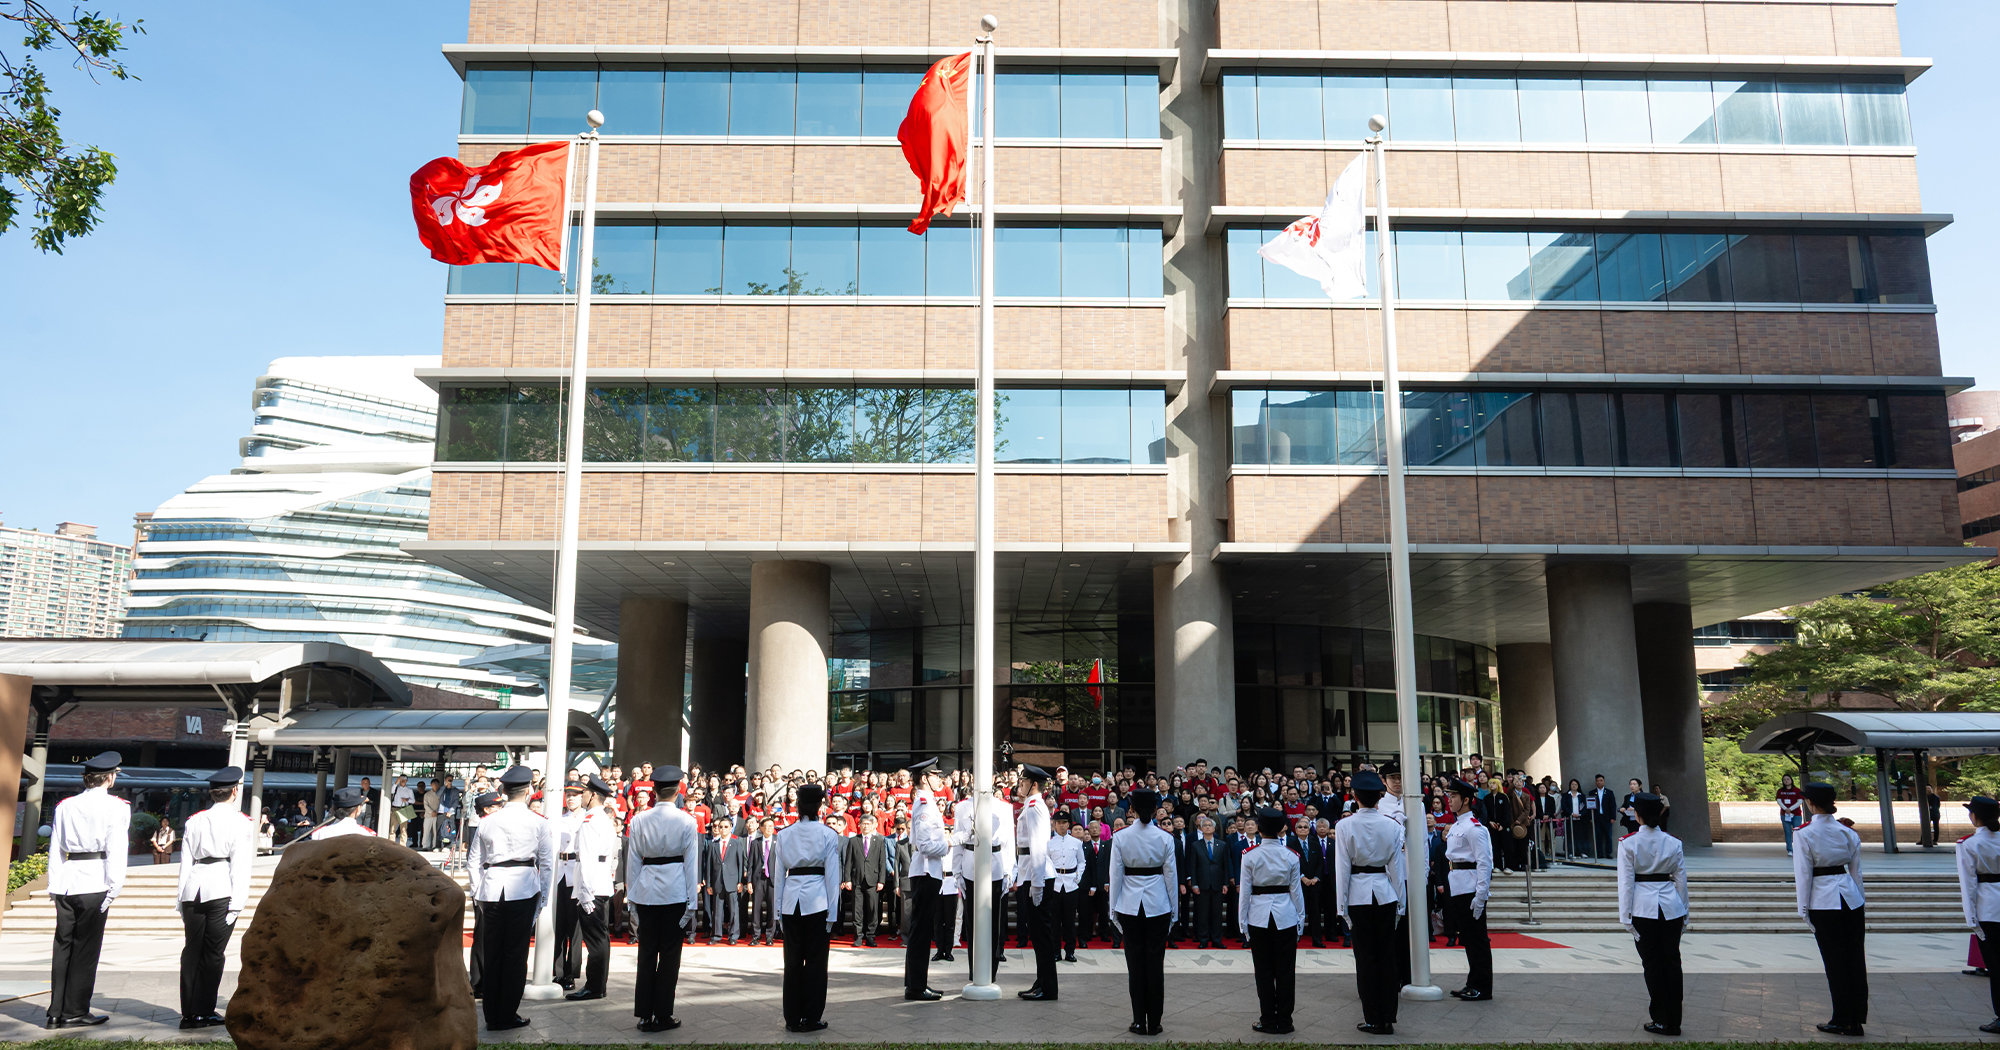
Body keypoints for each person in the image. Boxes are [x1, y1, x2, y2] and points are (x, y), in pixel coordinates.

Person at [466, 765, 555, 1033]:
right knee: (515, 955)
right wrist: (543, 899)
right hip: (523, 889)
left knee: (493, 953)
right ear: (528, 791)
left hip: (492, 889)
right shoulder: (538, 822)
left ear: (503, 791)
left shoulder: (486, 821)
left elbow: (473, 863)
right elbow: (547, 865)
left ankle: (492, 1015)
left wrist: (477, 893)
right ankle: (506, 1013)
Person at [45, 751, 129, 1031]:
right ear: (109, 778)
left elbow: (56, 848)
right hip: (96, 881)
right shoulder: (117, 806)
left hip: (67, 880)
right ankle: (75, 1011)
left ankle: (56, 1011)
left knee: (63, 946)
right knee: (86, 949)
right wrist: (115, 887)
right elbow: (117, 849)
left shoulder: (65, 805)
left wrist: (53, 884)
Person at [174, 765, 253, 1031]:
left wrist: (180, 898)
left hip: (193, 887)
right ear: (234, 791)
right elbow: (240, 865)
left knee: (192, 952)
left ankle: (189, 1013)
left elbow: (185, 862)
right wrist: (238, 903)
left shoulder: (194, 820)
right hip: (221, 887)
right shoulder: (241, 821)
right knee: (213, 954)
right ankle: (204, 1010)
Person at [627, 765, 699, 1032]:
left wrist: (632, 898)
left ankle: (645, 1014)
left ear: (653, 790)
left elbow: (633, 861)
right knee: (669, 955)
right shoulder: (686, 820)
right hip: (674, 891)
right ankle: (663, 1014)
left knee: (646, 953)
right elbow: (691, 864)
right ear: (679, 790)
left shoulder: (639, 819)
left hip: (646, 889)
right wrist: (692, 901)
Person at [1793, 781, 1867, 1036]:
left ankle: (1842, 1019)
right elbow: (1857, 874)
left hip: (1824, 901)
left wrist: (1803, 910)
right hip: (1850, 899)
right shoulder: (1847, 832)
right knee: (1855, 960)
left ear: (1810, 803)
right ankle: (1855, 1019)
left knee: (1835, 963)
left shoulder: (1803, 833)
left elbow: (1803, 875)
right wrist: (1861, 901)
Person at [1335, 770, 1405, 1034]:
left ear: (1354, 796)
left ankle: (1373, 1017)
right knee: (1387, 957)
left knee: (1365, 959)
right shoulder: (1392, 825)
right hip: (1385, 894)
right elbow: (1397, 869)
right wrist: (1401, 903)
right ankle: (1387, 1017)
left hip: (1358, 894)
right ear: (1380, 796)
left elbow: (1342, 869)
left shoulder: (1344, 825)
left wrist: (1342, 907)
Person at [773, 783, 843, 1032]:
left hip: (792, 902)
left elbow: (778, 876)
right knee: (815, 963)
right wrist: (832, 913)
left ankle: (792, 1017)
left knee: (792, 963)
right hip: (817, 902)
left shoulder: (783, 834)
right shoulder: (828, 834)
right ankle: (811, 1016)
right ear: (820, 806)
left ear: (798, 805)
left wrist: (778, 911)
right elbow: (832, 877)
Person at [1617, 793, 1687, 1036]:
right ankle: (1673, 1020)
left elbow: (1626, 883)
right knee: (1672, 962)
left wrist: (1625, 917)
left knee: (1653, 965)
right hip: (1671, 907)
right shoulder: (1673, 842)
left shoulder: (1629, 843)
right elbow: (1681, 882)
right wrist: (1684, 913)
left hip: (1643, 908)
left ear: (1637, 815)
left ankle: (1661, 1019)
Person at [1109, 788, 1177, 1036]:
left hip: (1129, 904)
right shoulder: (1165, 838)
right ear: (1156, 809)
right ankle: (1155, 1021)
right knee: (1155, 964)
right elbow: (1170, 876)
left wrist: (1112, 909)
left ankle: (1139, 1020)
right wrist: (1174, 910)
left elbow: (1115, 876)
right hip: (1158, 903)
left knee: (1135, 965)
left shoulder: (1121, 836)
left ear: (1132, 810)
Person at [1239, 807, 1304, 1034]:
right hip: (1285, 915)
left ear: (1259, 828)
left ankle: (1268, 1019)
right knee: (1285, 970)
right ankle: (1285, 1020)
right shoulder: (1290, 855)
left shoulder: (1250, 855)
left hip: (1258, 916)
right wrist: (1300, 918)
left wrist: (1242, 921)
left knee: (1264, 971)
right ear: (1282, 829)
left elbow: (1244, 893)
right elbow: (1296, 892)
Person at [565, 775, 620, 1002]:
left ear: (593, 795)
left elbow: (586, 858)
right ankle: (598, 985)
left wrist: (585, 893)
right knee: (601, 938)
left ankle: (594, 986)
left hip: (592, 886)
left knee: (595, 940)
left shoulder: (589, 819)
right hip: (601, 884)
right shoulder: (604, 819)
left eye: (585, 792)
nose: (582, 796)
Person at [901, 758, 950, 1001]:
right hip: (926, 872)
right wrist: (949, 843)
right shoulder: (923, 803)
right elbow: (925, 844)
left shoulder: (927, 802)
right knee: (920, 931)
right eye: (936, 774)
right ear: (924, 778)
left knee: (920, 929)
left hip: (928, 872)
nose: (940, 779)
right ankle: (916, 987)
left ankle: (914, 983)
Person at [955, 779, 1014, 981]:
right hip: (970, 865)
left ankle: (992, 971)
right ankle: (975, 971)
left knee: (994, 922)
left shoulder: (1004, 808)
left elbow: (1008, 843)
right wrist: (956, 871)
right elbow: (958, 842)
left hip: (995, 864)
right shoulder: (963, 806)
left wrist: (1008, 871)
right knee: (972, 924)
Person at [1443, 777, 1495, 1002]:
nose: (1449, 801)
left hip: (1470, 888)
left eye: (1453, 797)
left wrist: (1481, 896)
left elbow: (1485, 863)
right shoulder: (1457, 825)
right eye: (1449, 796)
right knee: (1468, 938)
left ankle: (1482, 987)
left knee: (1477, 939)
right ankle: (1472, 982)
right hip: (1458, 886)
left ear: (1466, 800)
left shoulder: (1475, 829)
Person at [1013, 764, 1059, 1000]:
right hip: (1031, 874)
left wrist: (1037, 886)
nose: (1020, 784)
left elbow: (1039, 849)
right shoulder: (1031, 806)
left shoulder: (1034, 807)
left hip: (1036, 875)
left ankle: (1048, 988)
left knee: (1042, 935)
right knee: (1038, 935)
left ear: (1034, 785)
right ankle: (1041, 982)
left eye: (1024, 781)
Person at [1957, 796, 2000, 1034]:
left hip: (1989, 909)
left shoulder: (1969, 844)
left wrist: (1970, 917)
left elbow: (1968, 884)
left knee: (1996, 966)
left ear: (1974, 816)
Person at [466, 791, 503, 1000]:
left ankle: (485, 980)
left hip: (493, 886)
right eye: (496, 806)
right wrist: (478, 892)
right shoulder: (484, 825)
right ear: (487, 810)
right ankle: (478, 982)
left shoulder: (495, 824)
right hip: (484, 888)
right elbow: (474, 863)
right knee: (481, 938)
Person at [553, 785, 586, 989]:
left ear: (583, 797)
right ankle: (557, 972)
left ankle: (571, 973)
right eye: (569, 795)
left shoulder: (586, 818)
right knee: (559, 926)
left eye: (575, 795)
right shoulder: (559, 818)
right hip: (560, 873)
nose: (571, 799)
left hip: (576, 871)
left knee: (574, 927)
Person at [843, 814, 888, 948]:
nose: (865, 826)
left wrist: (881, 880)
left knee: (873, 909)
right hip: (857, 880)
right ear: (859, 825)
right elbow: (848, 862)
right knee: (857, 909)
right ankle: (858, 936)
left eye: (868, 824)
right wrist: (847, 879)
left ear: (873, 825)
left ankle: (870, 936)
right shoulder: (853, 841)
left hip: (873, 880)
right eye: (863, 824)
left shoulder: (879, 841)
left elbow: (882, 863)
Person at [1048, 815, 1086, 962]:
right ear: (1054, 824)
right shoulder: (1049, 843)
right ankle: (1056, 951)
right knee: (1055, 921)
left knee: (1070, 921)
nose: (1062, 826)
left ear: (1068, 824)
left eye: (1064, 823)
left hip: (1071, 883)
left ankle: (1070, 951)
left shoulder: (1076, 842)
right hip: (1055, 883)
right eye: (1059, 823)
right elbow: (1046, 862)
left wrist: (1078, 876)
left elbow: (1082, 862)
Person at [711, 815, 751, 945]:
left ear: (731, 828)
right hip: (717, 882)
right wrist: (709, 884)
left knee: (734, 910)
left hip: (733, 881)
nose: (722, 829)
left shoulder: (736, 843)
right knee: (717, 911)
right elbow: (709, 866)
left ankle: (733, 935)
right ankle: (716, 935)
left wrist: (740, 882)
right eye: (720, 827)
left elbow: (740, 863)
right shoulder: (713, 845)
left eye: (725, 827)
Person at [748, 816, 779, 946]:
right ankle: (756, 935)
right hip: (758, 878)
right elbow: (750, 864)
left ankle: (769, 936)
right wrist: (749, 881)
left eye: (772, 826)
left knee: (772, 908)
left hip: (773, 879)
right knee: (756, 908)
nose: (769, 828)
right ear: (761, 828)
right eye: (767, 826)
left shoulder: (778, 841)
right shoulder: (755, 842)